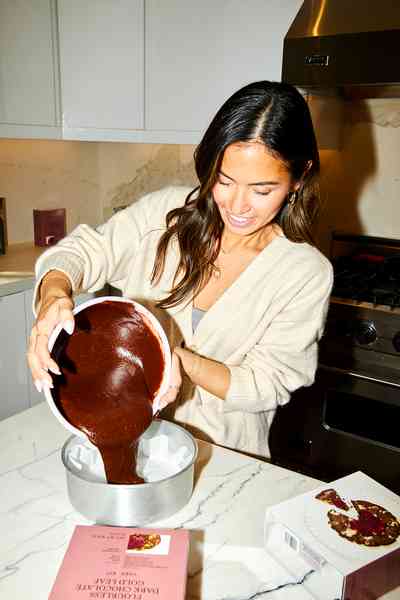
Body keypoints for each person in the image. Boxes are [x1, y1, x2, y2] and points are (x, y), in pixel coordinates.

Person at [27, 81, 333, 459]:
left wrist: (173, 359)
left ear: (299, 177)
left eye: (262, 190)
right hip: (125, 432)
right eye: (224, 180)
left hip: (223, 455)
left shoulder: (304, 273)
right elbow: (85, 251)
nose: (237, 205)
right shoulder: (166, 214)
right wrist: (53, 293)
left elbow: (266, 384)